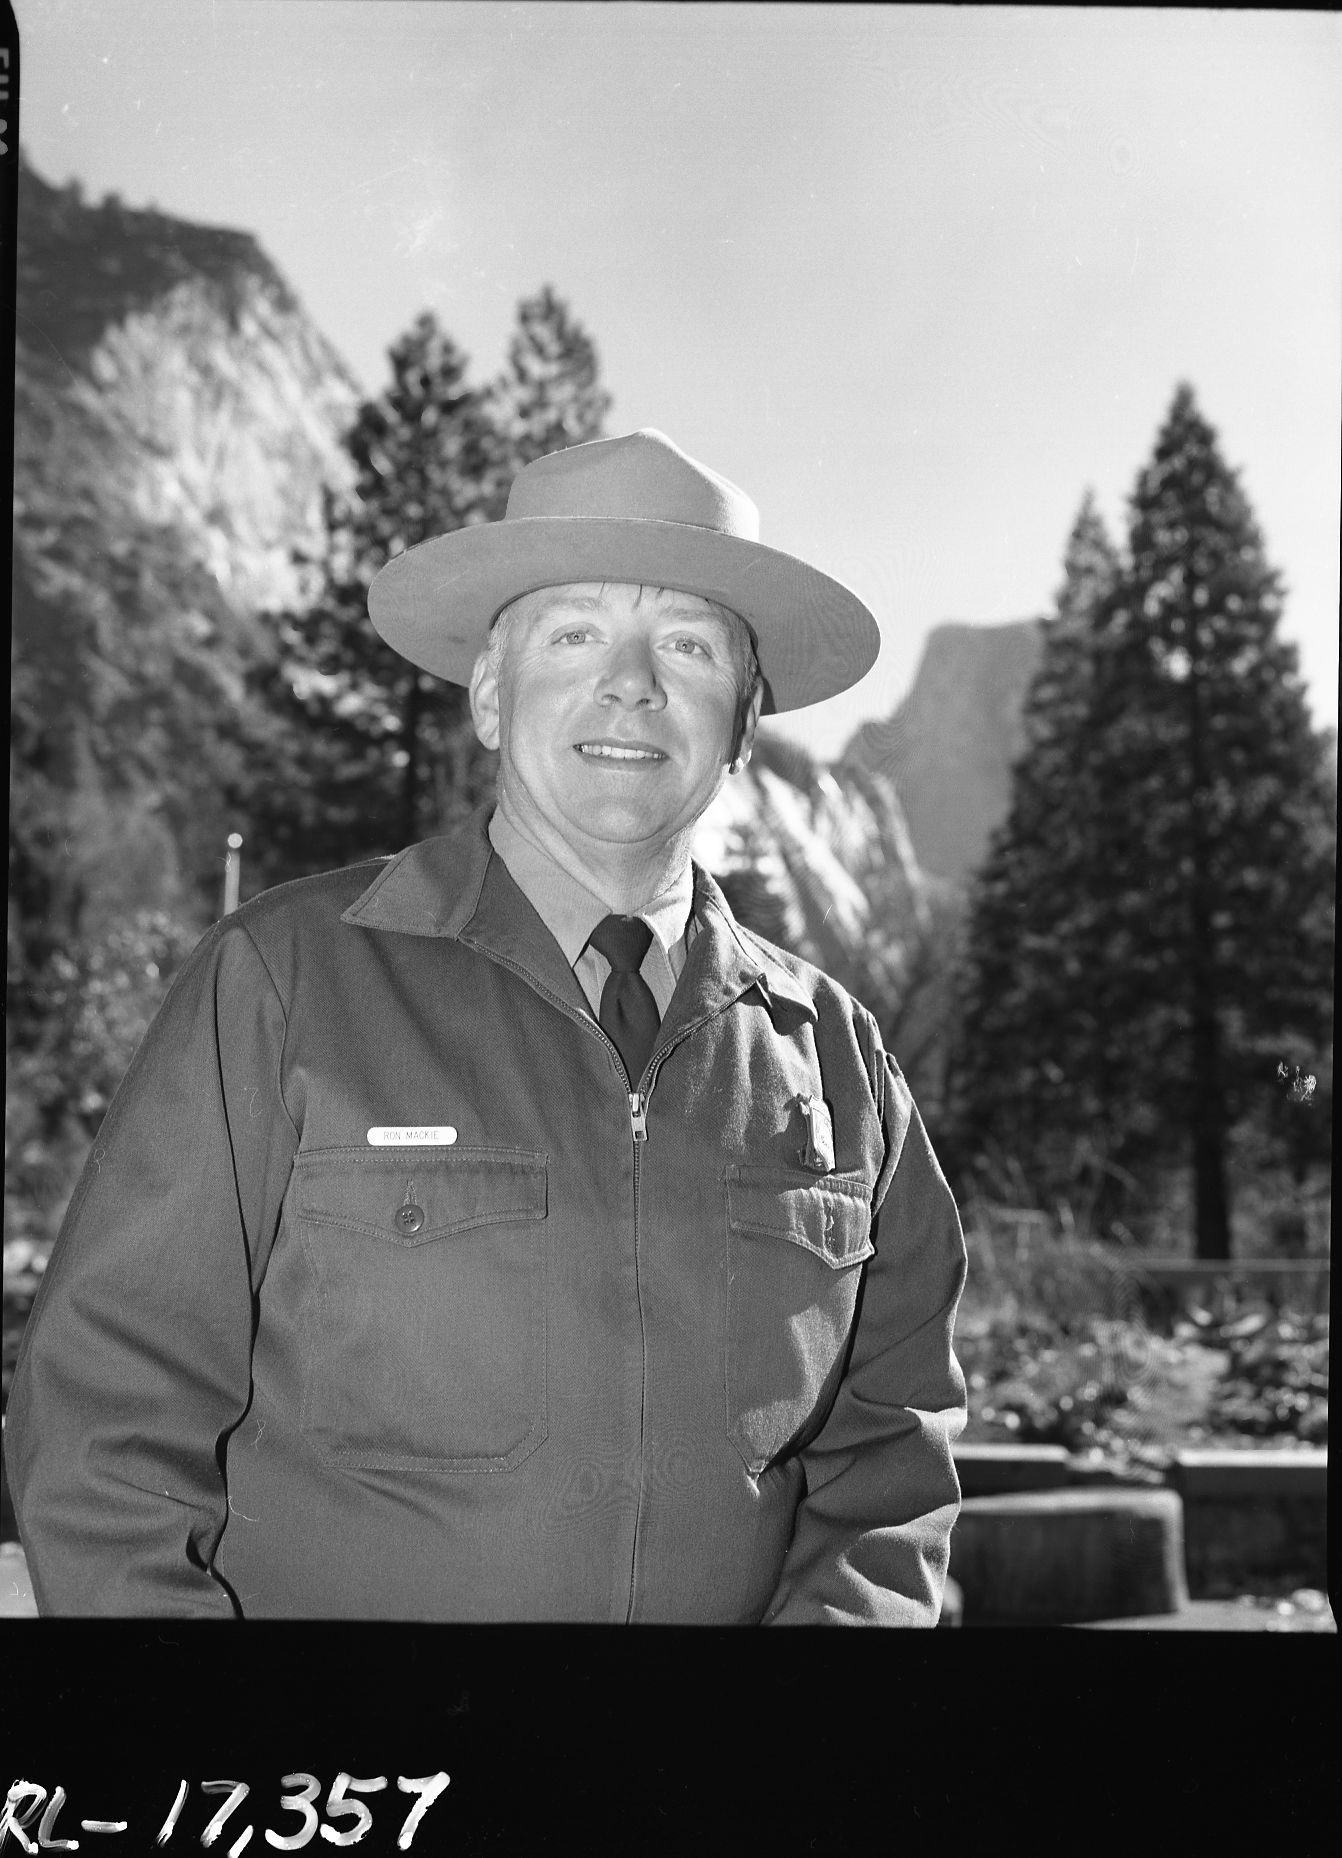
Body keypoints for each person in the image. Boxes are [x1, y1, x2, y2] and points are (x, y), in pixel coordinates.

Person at [7, 428, 967, 1623]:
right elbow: (105, 1419)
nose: (632, 682)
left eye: (688, 644)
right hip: (365, 1793)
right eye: (574, 633)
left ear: (744, 724)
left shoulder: (839, 1057)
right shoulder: (279, 980)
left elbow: (891, 1459)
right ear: (489, 694)